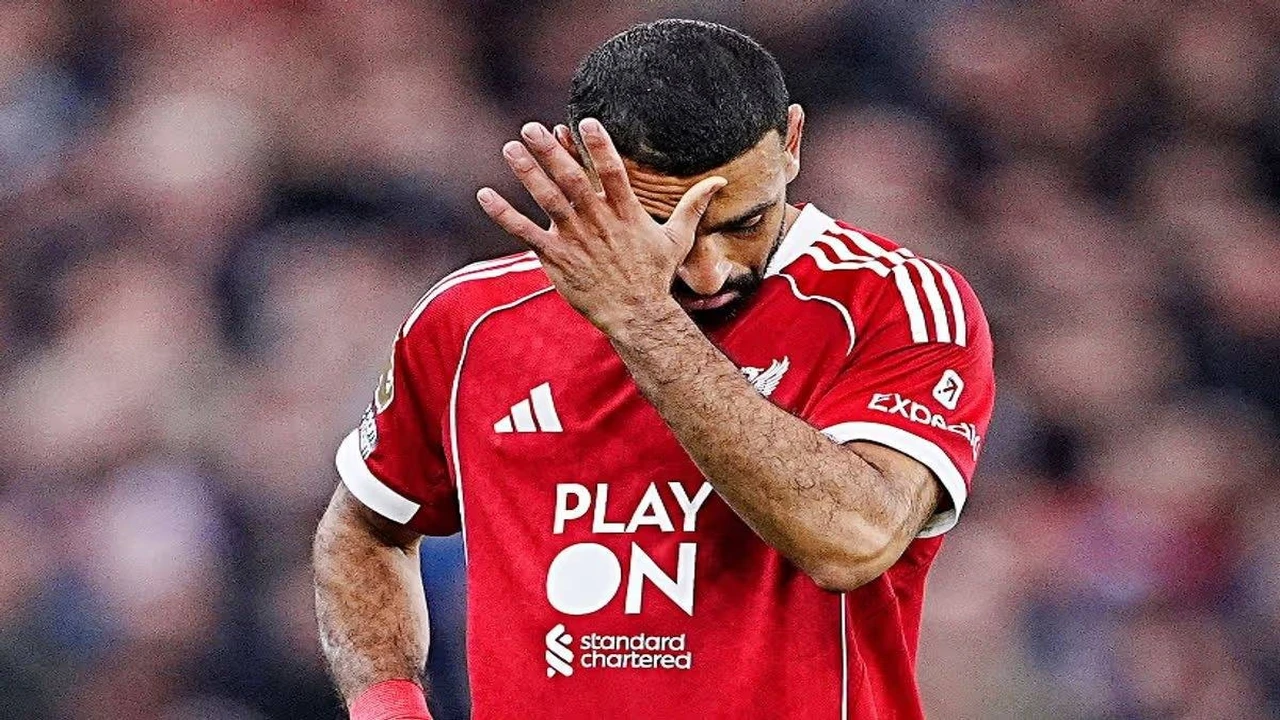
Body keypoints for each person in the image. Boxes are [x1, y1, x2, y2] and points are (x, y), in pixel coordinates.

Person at [314, 19, 994, 720]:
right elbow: (368, 527)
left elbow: (852, 541)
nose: (708, 273)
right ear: (583, 167)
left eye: (743, 223)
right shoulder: (471, 322)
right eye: (663, 228)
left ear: (791, 143)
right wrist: (387, 706)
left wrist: (642, 318)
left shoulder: (894, 304)